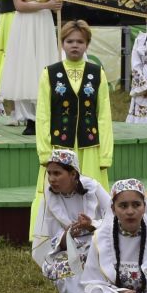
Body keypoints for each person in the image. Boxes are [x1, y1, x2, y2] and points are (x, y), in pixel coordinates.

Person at [33, 20, 112, 231]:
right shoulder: (49, 73)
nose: (74, 45)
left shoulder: (97, 74)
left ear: (87, 44)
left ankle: (96, 230)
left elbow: (103, 115)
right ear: (62, 44)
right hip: (60, 147)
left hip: (90, 147)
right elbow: (43, 114)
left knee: (91, 189)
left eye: (80, 41)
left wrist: (105, 153)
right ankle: (53, 232)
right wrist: (45, 152)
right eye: (69, 41)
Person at [0, 0, 60, 128]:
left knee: (42, 60)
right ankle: (25, 114)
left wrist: (54, 4)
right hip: (24, 22)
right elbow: (19, 6)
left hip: (43, 23)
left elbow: (59, 0)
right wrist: (46, 5)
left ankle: (43, 111)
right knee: (24, 63)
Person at [31, 149, 111, 293]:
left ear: (73, 174)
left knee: (94, 257)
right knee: (64, 264)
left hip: (98, 242)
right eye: (49, 173)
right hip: (70, 247)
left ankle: (99, 291)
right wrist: (66, 235)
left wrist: (91, 225)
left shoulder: (92, 188)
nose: (52, 179)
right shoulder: (50, 197)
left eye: (57, 173)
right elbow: (52, 237)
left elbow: (114, 219)